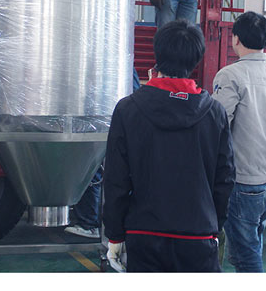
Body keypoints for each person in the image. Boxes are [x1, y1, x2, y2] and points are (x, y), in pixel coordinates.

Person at [101, 19, 235, 272]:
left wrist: (115, 234)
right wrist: (213, 225)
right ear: (196, 58)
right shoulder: (214, 113)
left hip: (144, 236)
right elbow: (225, 178)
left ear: (158, 54)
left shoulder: (128, 110)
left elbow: (116, 179)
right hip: (198, 235)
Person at [211, 11, 266, 272]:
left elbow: (218, 125)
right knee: (253, 248)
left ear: (235, 39)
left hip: (241, 183)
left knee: (245, 259)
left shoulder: (230, 75)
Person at [65, 69, 142, 239]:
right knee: (96, 172)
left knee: (92, 172)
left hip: (103, 123)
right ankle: (95, 222)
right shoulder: (121, 66)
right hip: (107, 122)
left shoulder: (117, 66)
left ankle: (89, 223)